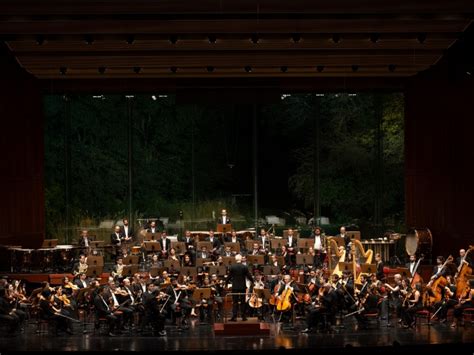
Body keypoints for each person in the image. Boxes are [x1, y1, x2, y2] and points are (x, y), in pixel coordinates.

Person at [227, 254, 253, 321]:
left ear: (235, 259)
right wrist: (253, 281)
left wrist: (226, 282)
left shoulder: (232, 267)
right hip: (242, 286)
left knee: (235, 302)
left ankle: (234, 317)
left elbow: (229, 276)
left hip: (235, 286)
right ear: (241, 259)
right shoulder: (244, 267)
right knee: (242, 302)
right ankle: (243, 317)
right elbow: (249, 276)